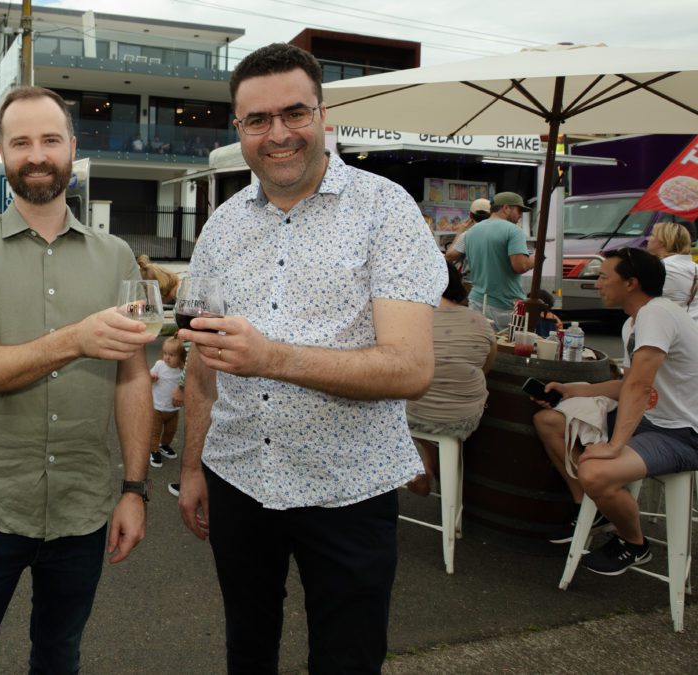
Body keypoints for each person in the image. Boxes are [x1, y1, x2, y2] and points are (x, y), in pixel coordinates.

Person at [176, 44, 447, 672]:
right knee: (247, 647)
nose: (278, 135)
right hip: (239, 477)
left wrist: (272, 357)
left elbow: (410, 368)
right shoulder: (220, 227)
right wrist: (192, 469)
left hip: (348, 487)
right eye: (257, 121)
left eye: (295, 113)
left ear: (325, 114)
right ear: (238, 129)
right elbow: (201, 367)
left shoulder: (386, 210)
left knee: (347, 658)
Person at [0, 86, 154, 674]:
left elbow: (133, 379)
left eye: (49, 140)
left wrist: (134, 488)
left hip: (83, 510)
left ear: (71, 149)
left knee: (59, 658)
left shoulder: (116, 257)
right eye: (20, 142)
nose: (36, 154)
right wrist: (75, 340)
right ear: (1, 153)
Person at [533, 248, 698, 575]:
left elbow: (639, 387)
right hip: (651, 421)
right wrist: (576, 390)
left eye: (604, 277)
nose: (597, 284)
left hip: (683, 434)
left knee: (596, 471)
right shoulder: (636, 321)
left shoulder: (657, 314)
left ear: (631, 283)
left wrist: (615, 444)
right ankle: (592, 508)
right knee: (550, 420)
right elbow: (628, 384)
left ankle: (634, 543)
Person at [405, 262, 497, 496]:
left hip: (415, 415)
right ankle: (434, 462)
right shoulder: (481, 323)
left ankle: (422, 462)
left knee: (400, 404)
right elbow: (485, 368)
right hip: (462, 419)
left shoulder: (411, 321)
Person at [462, 192, 537, 329]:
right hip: (504, 304)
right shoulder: (514, 231)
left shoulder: (471, 232)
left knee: (480, 346)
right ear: (506, 208)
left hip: (476, 300)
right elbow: (520, 266)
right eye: (519, 210)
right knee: (506, 348)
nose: (520, 215)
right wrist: (537, 258)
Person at [647, 220, 698, 322]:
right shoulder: (695, 267)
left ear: (663, 241)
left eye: (652, 235)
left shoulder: (661, 268)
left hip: (667, 327)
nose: (648, 238)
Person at [149, 336, 186, 468]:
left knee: (171, 431)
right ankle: (153, 450)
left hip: (173, 410)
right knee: (155, 431)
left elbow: (185, 386)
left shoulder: (182, 371)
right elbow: (149, 375)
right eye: (165, 353)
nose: (167, 357)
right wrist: (152, 377)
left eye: (172, 355)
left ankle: (164, 446)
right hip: (157, 408)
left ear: (182, 357)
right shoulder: (160, 365)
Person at [444, 197, 492, 273]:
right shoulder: (501, 232)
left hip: (472, 281)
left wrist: (460, 232)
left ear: (470, 215)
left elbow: (449, 257)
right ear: (491, 215)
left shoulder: (468, 235)